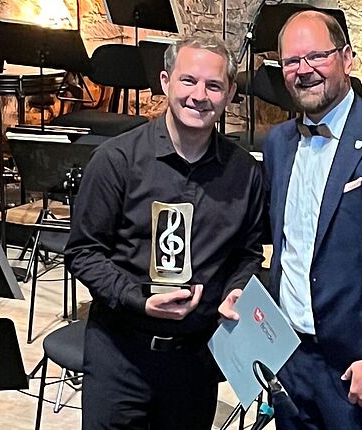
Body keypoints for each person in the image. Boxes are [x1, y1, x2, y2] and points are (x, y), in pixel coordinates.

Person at [219, 10, 362, 429]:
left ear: (347, 57)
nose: (303, 71)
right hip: (292, 362)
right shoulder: (279, 143)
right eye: (291, 61)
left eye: (316, 57)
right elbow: (289, 245)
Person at [66, 34, 266, 429]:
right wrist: (138, 301)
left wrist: (237, 290)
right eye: (188, 80)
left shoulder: (245, 172)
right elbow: (83, 252)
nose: (199, 95)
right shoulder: (116, 160)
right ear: (165, 82)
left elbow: (248, 253)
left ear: (228, 96)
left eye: (214, 85)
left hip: (195, 360)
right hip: (121, 352)